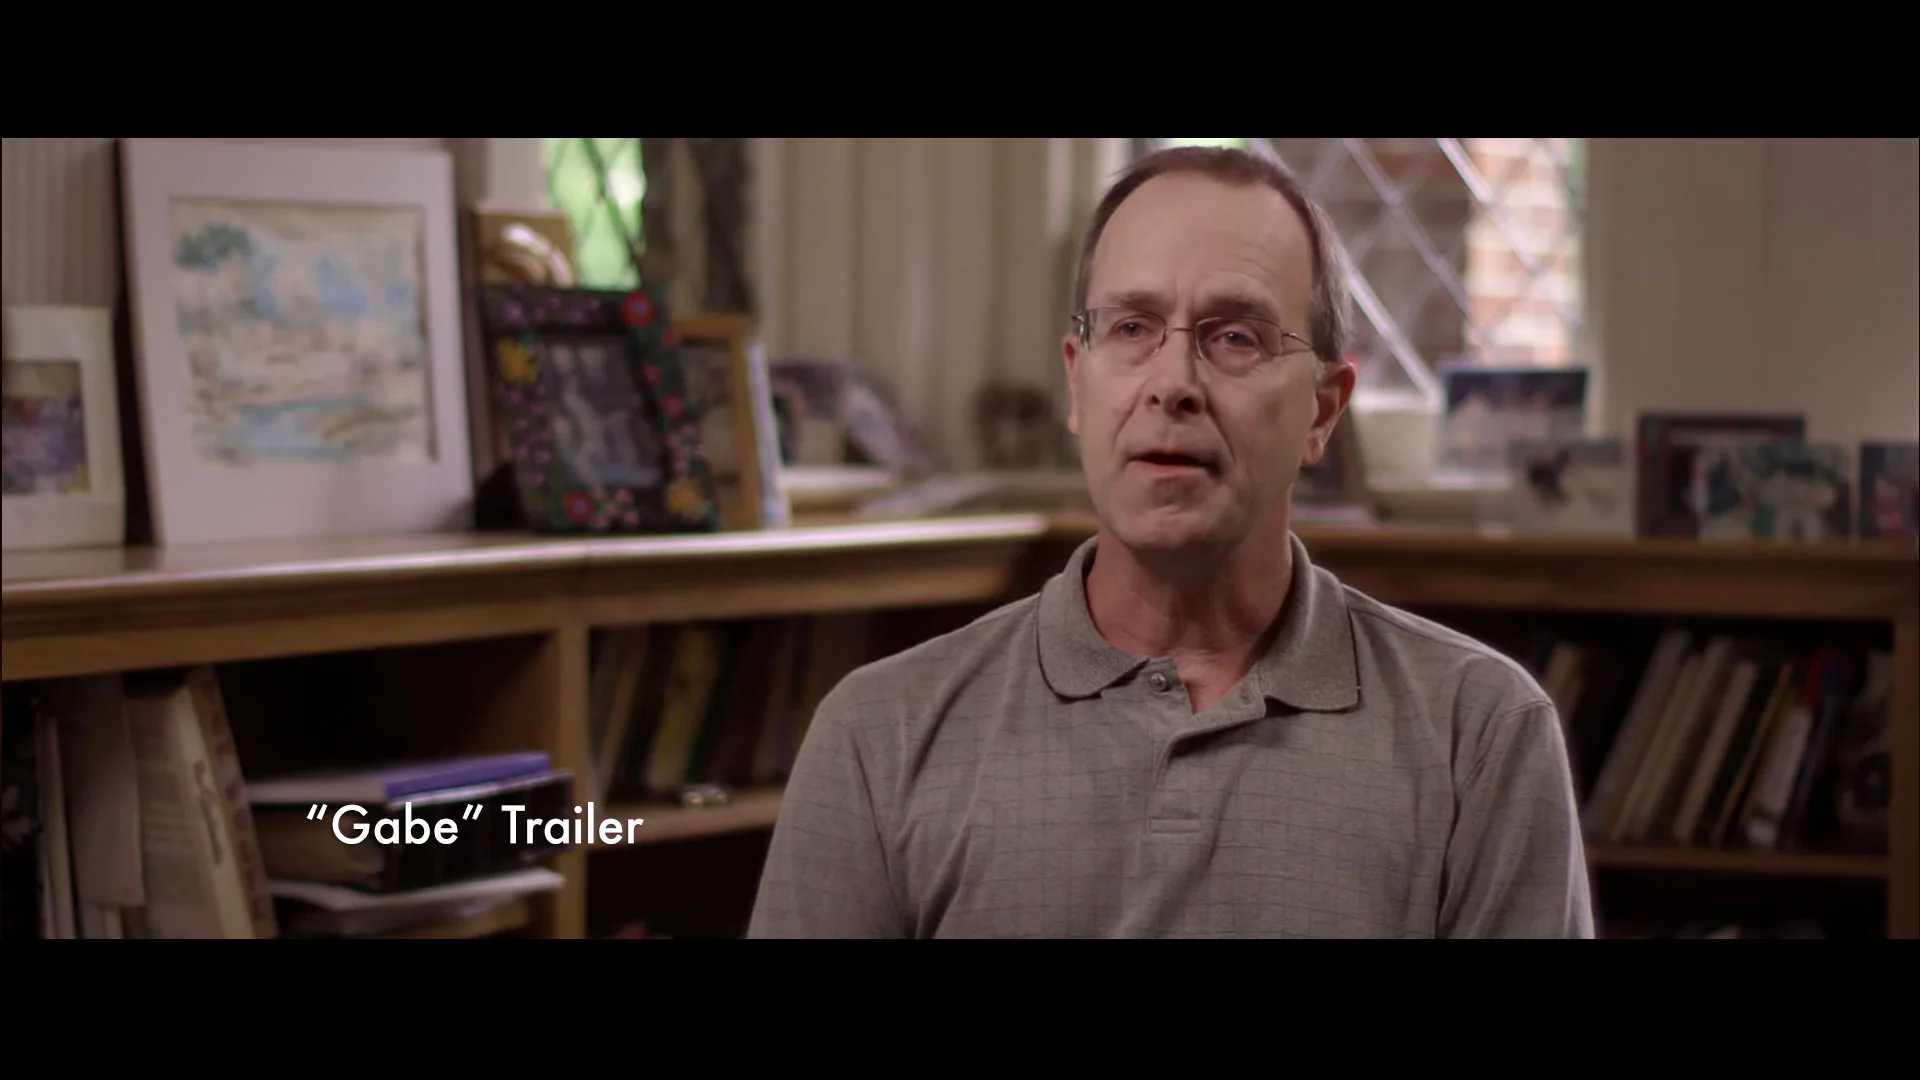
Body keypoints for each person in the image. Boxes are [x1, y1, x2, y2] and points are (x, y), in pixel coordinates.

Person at [748, 146, 1593, 938]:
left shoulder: (1481, 734)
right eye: (1132, 328)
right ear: (1076, 381)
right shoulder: (879, 734)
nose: (1174, 384)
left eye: (1235, 337)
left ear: (1322, 410)